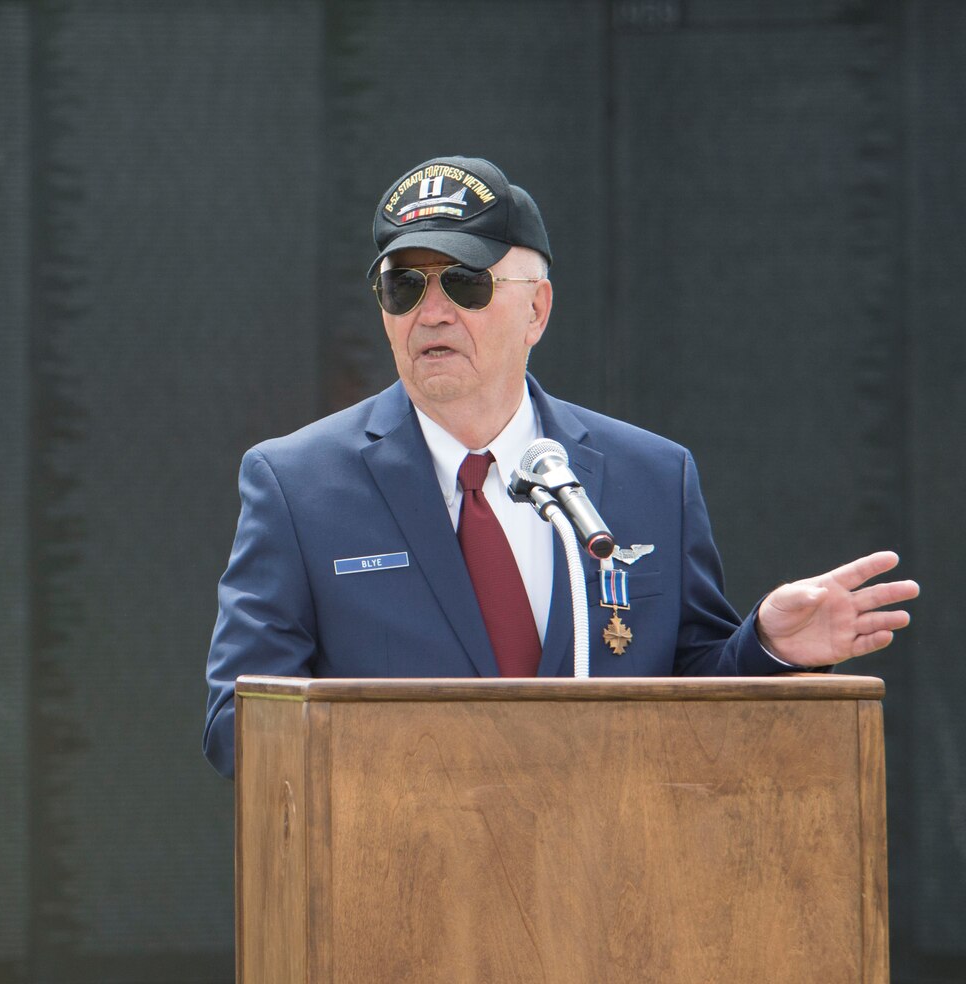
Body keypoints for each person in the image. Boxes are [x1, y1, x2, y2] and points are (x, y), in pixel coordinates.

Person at [201, 155, 918, 779]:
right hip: (398, 893)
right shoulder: (296, 485)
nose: (433, 311)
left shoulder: (652, 477)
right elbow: (238, 723)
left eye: (465, 282)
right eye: (403, 285)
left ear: (536, 310)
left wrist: (766, 648)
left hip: (608, 895)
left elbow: (695, 692)